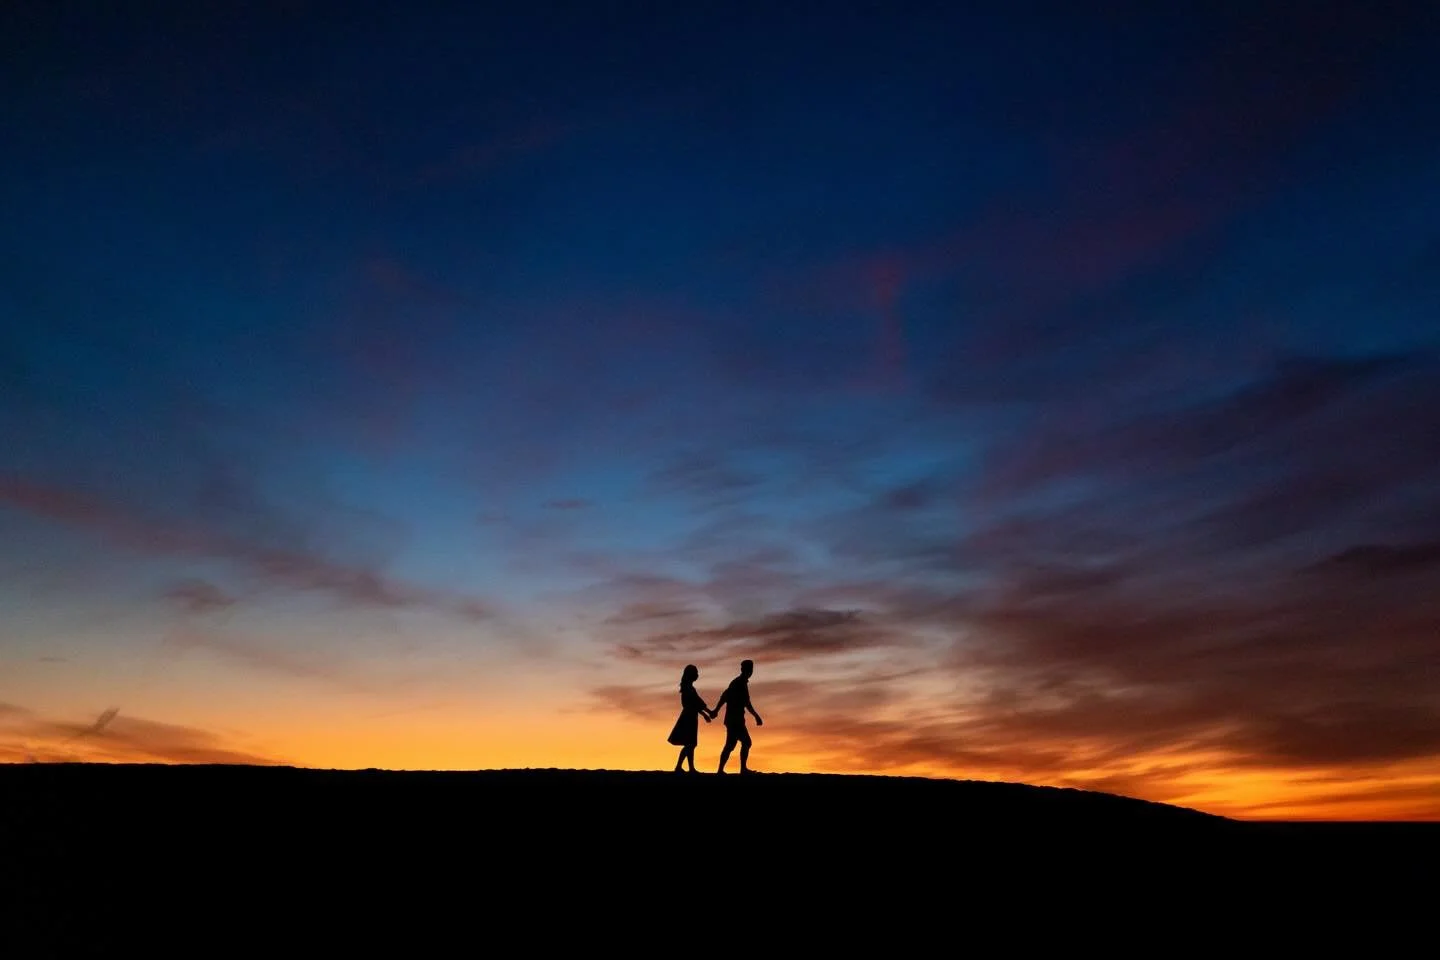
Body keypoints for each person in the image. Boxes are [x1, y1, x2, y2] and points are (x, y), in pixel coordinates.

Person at [714, 659, 762, 774]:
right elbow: (726, 696)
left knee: (731, 745)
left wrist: (716, 710)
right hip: (734, 720)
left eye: (751, 669)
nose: (750, 671)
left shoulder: (741, 683)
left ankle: (724, 770)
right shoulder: (738, 683)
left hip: (736, 719)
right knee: (744, 742)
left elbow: (743, 702)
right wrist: (756, 716)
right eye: (749, 669)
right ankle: (740, 769)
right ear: (743, 669)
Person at [666, 664, 714, 773]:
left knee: (690, 744)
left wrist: (707, 712)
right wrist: (707, 713)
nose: (697, 675)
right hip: (688, 717)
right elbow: (695, 704)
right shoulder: (688, 688)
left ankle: (684, 767)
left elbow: (697, 703)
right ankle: (685, 767)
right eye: (695, 673)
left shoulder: (689, 687)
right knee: (690, 744)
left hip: (690, 716)